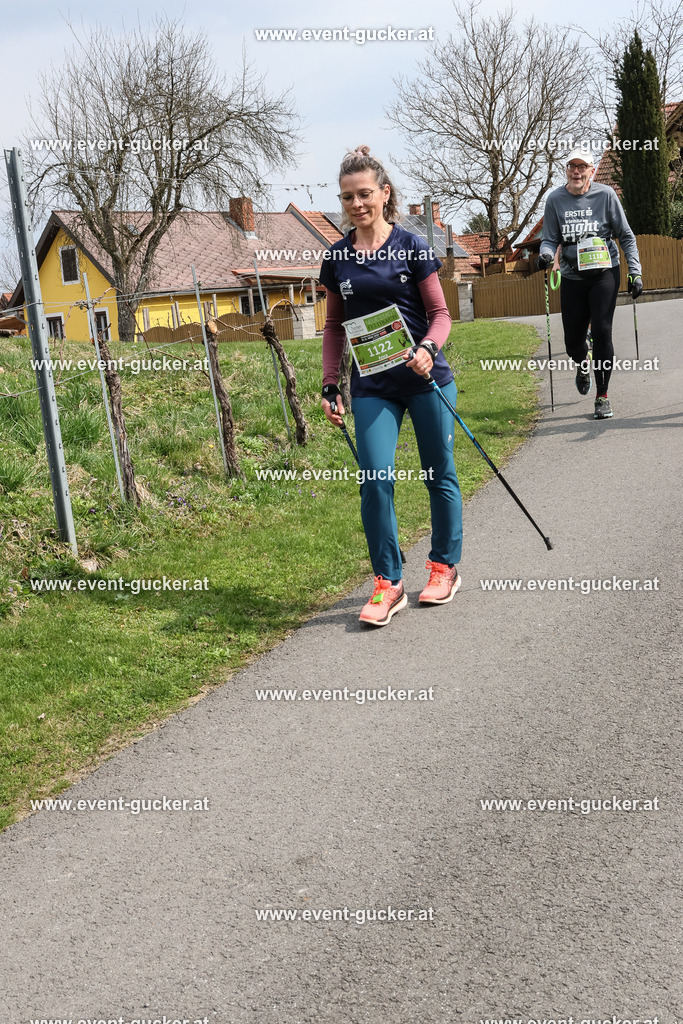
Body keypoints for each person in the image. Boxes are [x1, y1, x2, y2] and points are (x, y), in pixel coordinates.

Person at [319, 146, 462, 626]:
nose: (357, 204)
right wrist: (329, 385)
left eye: (364, 194)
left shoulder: (412, 246)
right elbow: (335, 326)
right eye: (347, 198)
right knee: (374, 479)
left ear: (384, 193)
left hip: (426, 380)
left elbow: (441, 315)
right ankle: (389, 583)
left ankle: (443, 567)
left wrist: (428, 348)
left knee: (438, 473)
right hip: (373, 387)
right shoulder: (336, 259)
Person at [538, 148, 643, 419]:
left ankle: (602, 396)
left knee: (602, 330)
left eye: (582, 167)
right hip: (572, 276)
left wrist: (636, 272)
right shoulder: (555, 200)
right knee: (573, 341)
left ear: (591, 171)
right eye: (572, 166)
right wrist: (546, 255)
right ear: (566, 170)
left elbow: (626, 236)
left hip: (604, 273)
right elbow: (549, 239)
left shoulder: (606, 195)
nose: (576, 171)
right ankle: (581, 363)